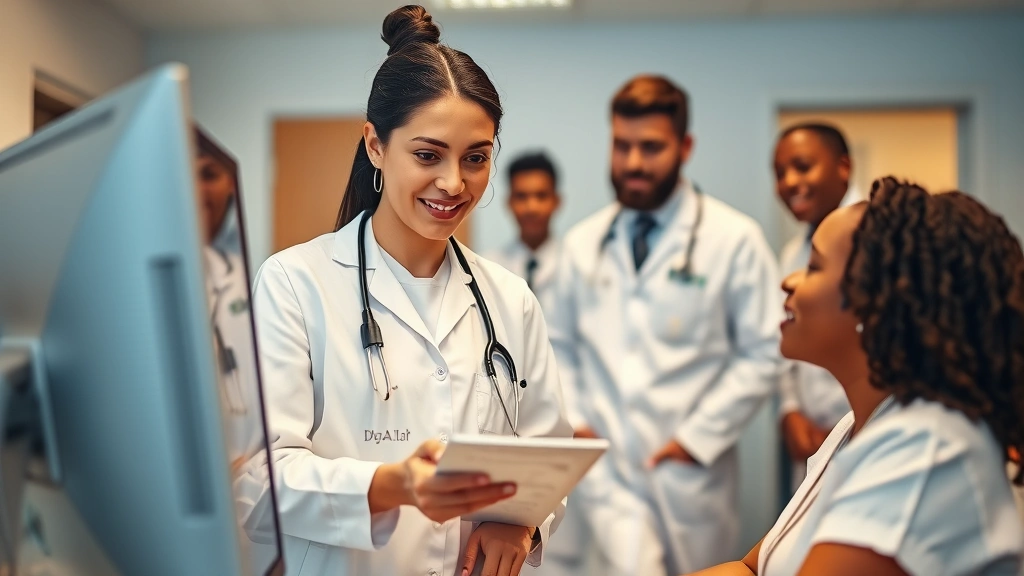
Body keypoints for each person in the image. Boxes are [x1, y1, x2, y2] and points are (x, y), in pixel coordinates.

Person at [251, 6, 572, 576]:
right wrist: (389, 486)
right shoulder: (294, 283)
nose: (454, 183)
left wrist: (522, 522)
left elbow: (548, 456)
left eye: (476, 158)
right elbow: (256, 480)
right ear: (375, 145)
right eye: (428, 155)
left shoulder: (510, 299)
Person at [691, 177, 1024, 576]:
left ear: (875, 301)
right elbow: (752, 569)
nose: (788, 280)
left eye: (813, 267)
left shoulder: (929, 449)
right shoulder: (859, 428)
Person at [547, 75, 783, 575]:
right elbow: (558, 346)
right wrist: (580, 423)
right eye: (622, 145)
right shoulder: (583, 243)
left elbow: (765, 350)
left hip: (688, 479)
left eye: (651, 147)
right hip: (604, 474)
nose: (633, 162)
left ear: (685, 147)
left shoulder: (734, 239)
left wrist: (697, 439)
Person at [773, 123, 861, 487]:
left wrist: (857, 422)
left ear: (843, 167)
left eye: (803, 166)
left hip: (866, 430)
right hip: (814, 441)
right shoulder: (792, 252)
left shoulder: (879, 239)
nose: (789, 182)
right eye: (780, 173)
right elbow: (781, 344)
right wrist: (790, 409)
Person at [485, 151, 562, 317]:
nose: (531, 208)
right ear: (509, 202)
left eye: (541, 196)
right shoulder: (489, 267)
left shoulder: (574, 264)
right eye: (521, 197)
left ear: (557, 201)